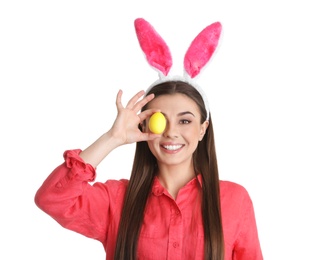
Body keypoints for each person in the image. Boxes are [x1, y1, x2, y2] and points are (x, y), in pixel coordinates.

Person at [35, 18, 263, 260]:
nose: (171, 132)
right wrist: (112, 138)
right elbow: (52, 199)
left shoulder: (234, 200)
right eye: (160, 120)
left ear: (203, 129)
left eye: (185, 121)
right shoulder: (117, 200)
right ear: (144, 125)